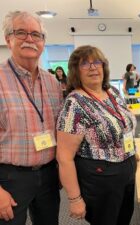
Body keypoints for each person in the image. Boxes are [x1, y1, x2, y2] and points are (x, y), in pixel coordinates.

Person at [56, 45, 137, 225]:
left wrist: (129, 150)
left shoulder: (113, 92)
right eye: (85, 64)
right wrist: (75, 199)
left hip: (127, 170)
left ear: (104, 66)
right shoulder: (74, 104)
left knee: (124, 219)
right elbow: (64, 158)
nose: (93, 67)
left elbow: (123, 125)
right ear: (76, 71)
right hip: (101, 178)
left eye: (97, 62)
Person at [0, 11, 62, 225]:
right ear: (8, 39)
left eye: (36, 34)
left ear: (43, 42)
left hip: (49, 176)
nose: (29, 39)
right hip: (9, 179)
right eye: (21, 32)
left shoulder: (53, 83)